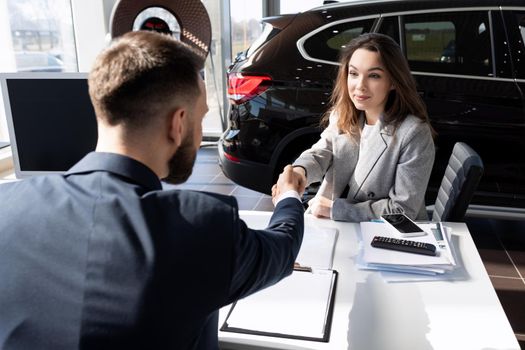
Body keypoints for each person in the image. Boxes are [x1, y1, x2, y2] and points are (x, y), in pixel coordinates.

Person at [0, 31, 304, 349]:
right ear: (178, 124)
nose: (200, 135)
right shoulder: (200, 227)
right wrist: (288, 196)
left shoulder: (5, 206)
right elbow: (282, 249)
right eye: (200, 120)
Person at [289, 33, 435, 222]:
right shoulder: (344, 115)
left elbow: (402, 210)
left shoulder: (413, 133)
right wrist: (300, 171)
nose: (360, 85)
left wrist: (335, 210)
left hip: (386, 236)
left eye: (374, 76)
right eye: (354, 73)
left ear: (393, 82)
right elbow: (320, 152)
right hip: (333, 225)